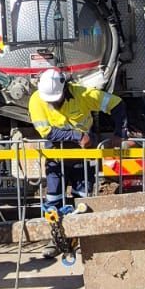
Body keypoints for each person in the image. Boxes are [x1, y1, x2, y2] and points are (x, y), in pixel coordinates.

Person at [28, 67, 127, 210]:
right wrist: (77, 135)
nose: (52, 103)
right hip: (56, 152)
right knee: (53, 198)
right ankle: (53, 221)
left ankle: (81, 221)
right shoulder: (37, 100)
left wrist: (120, 134)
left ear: (65, 89)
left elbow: (117, 104)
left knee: (83, 199)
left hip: (83, 152)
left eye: (55, 99)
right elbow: (47, 133)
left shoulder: (83, 95)